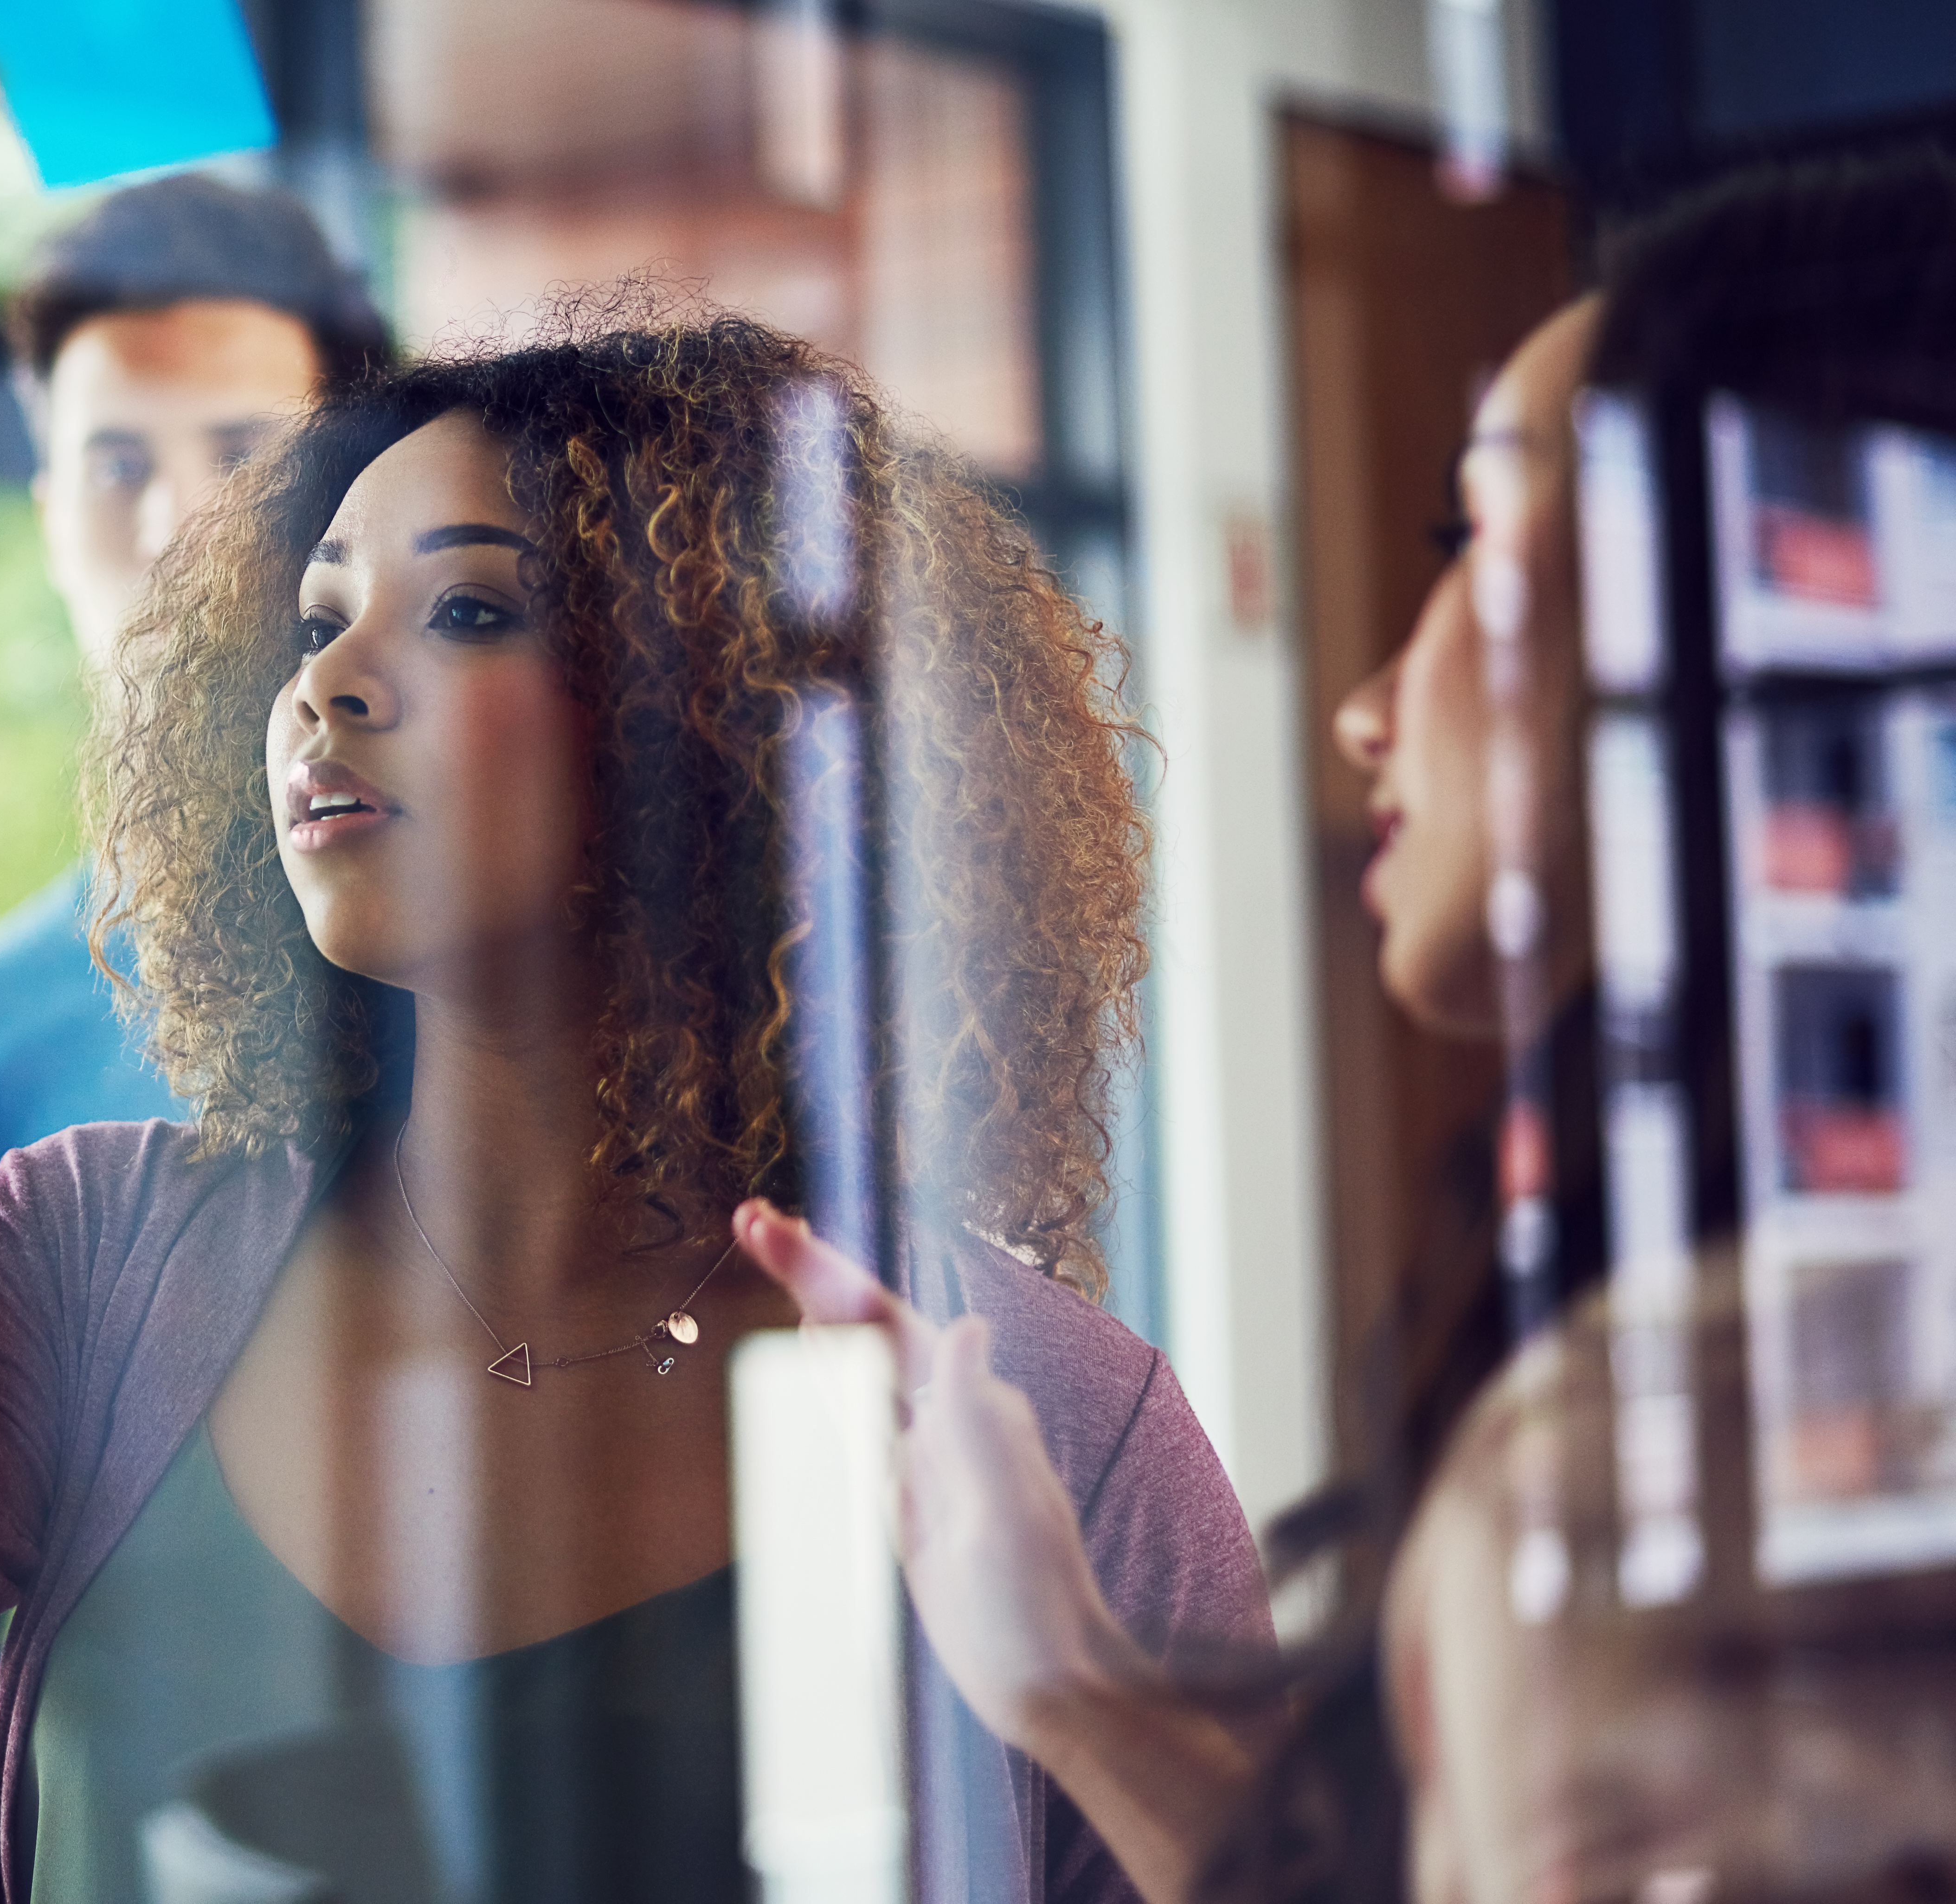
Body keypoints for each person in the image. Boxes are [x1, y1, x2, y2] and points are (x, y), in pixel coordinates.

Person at [0, 303, 1270, 1904]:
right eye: (317, 621)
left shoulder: (1046, 1420)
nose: (326, 684)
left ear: (706, 718)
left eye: (467, 608)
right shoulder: (90, 1257)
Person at [759, 142, 1956, 1904]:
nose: (1364, 712)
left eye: (1475, 536)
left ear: (1784, 583)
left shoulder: (1718, 1452)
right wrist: (1070, 1683)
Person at [0, 175, 392, 1904]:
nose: (183, 521)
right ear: (46, 515)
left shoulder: (508, 969)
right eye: (121, 463)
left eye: (245, 454)